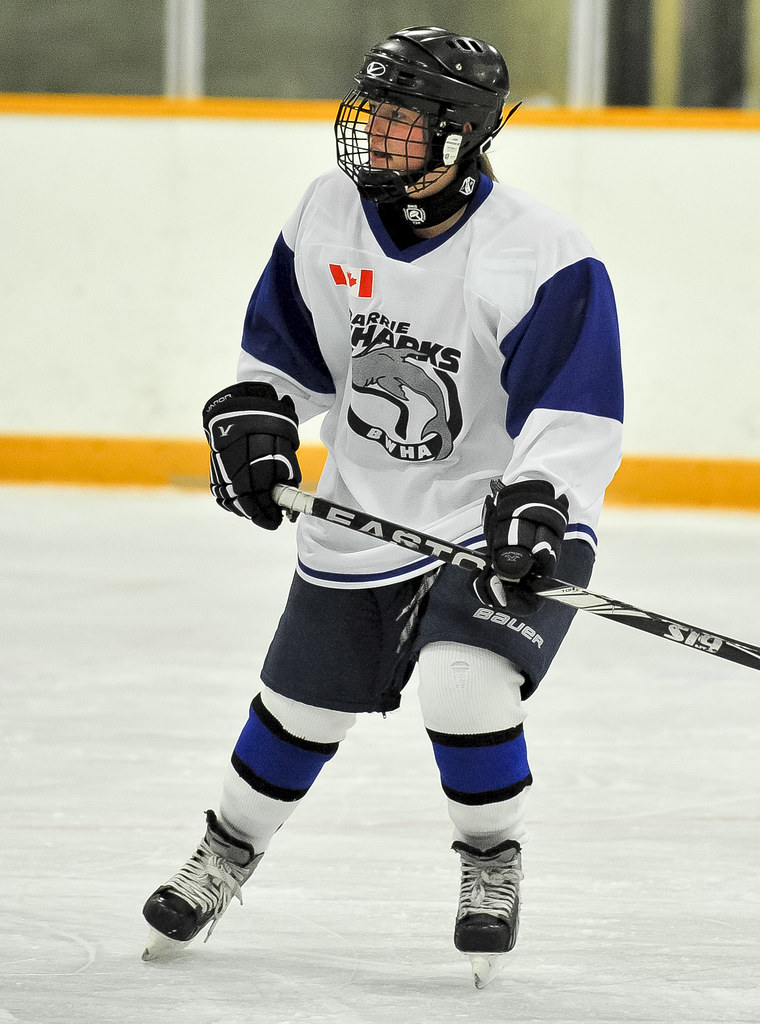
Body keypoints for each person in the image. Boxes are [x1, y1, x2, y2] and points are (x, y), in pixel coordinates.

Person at [142, 26, 623, 987]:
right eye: (373, 112)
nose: (374, 136)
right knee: (299, 702)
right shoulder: (327, 212)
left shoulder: (539, 252)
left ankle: (491, 858)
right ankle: (228, 849)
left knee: (463, 683)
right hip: (366, 502)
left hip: (509, 515)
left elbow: (573, 413)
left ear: (462, 138)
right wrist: (260, 414)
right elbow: (286, 357)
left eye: (403, 121)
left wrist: (541, 500)